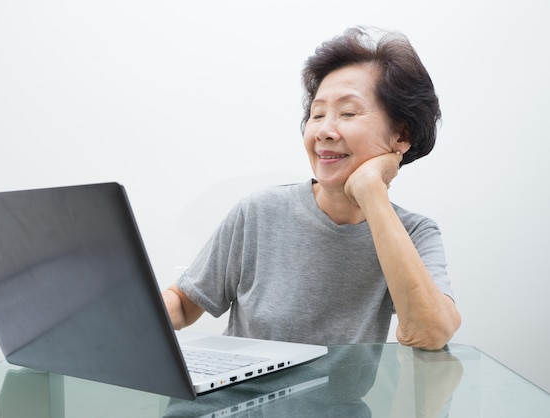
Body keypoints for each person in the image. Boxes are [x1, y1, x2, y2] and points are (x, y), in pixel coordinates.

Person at [162, 27, 461, 350]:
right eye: (317, 114)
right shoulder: (260, 210)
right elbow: (182, 303)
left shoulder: (415, 233)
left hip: (336, 404)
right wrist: (127, 313)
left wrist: (372, 192)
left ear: (400, 135)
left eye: (348, 113)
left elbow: (431, 332)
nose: (324, 130)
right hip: (240, 399)